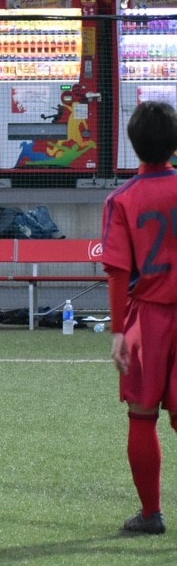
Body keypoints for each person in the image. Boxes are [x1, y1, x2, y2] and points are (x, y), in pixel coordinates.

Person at [101, 100, 177, 536]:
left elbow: (117, 272)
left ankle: (152, 513)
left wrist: (117, 332)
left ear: (133, 145)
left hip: (146, 319)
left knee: (142, 414)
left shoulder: (123, 200)